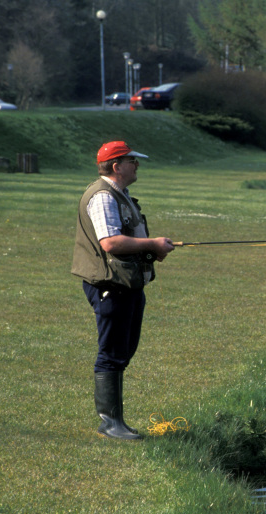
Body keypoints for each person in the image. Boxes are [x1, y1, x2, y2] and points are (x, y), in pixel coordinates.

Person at [71, 141, 175, 440]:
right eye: (131, 161)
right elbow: (111, 243)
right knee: (113, 352)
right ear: (116, 166)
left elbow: (125, 240)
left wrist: (149, 250)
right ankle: (109, 423)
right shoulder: (104, 197)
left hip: (125, 283)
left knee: (123, 349)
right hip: (111, 285)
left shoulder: (119, 194)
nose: (136, 165)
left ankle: (116, 420)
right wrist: (153, 244)